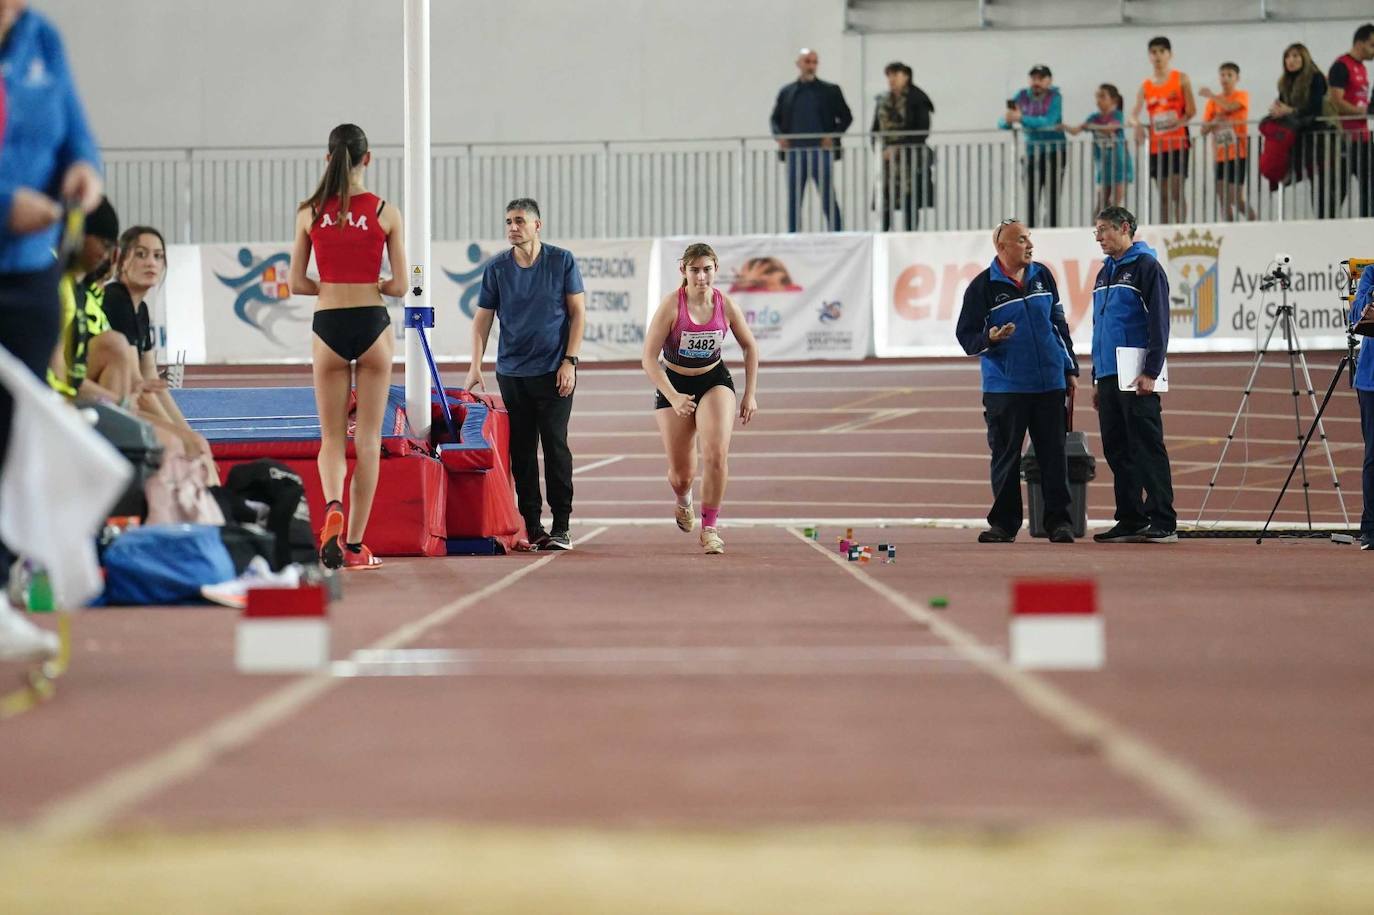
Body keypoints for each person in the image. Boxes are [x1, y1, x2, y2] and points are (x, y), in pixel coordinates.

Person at [0, 0, 102, 660]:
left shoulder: (41, 37)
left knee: (12, 440)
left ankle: (5, 589)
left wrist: (85, 171)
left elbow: (76, 136)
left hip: (30, 279)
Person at [288, 123, 407, 571]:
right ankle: (355, 545)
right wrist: (371, 283)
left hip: (329, 323)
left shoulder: (309, 212)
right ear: (367, 159)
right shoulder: (384, 211)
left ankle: (333, 505)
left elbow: (297, 282)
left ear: (328, 159)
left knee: (332, 438)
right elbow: (399, 283)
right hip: (372, 322)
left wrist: (330, 284)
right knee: (370, 439)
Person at [464, 198, 585, 551]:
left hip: (553, 372)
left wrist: (570, 361)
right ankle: (532, 527)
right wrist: (475, 364)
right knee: (522, 451)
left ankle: (561, 525)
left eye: (519, 221)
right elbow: (482, 319)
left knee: (556, 446)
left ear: (537, 225)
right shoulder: (498, 269)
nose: (512, 227)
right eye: (508, 221)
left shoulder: (561, 261)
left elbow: (577, 314)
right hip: (513, 374)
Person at [955, 219, 1078, 544]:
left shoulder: (1043, 276)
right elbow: (966, 337)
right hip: (1005, 388)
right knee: (1005, 456)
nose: (1030, 245)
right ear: (1002, 247)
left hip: (1049, 382)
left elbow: (1058, 323)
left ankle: (1059, 522)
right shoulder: (983, 287)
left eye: (1029, 239)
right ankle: (1004, 524)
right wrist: (990, 338)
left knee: (1053, 455)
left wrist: (1070, 369)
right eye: (1022, 240)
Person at [641, 243, 759, 555]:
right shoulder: (671, 306)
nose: (702, 276)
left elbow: (749, 346)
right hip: (674, 383)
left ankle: (710, 528)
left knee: (717, 454)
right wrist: (674, 396)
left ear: (715, 270)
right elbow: (649, 359)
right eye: (695, 270)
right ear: (684, 271)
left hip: (713, 379)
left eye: (707, 269)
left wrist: (750, 394)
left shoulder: (725, 305)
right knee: (682, 476)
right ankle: (684, 500)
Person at [1089, 206, 1176, 544]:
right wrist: (1098, 377)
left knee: (1146, 445)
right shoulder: (1104, 273)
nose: (1098, 237)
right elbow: (1100, 327)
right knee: (1117, 448)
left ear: (1124, 228)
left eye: (1103, 230)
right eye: (1096, 231)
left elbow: (1159, 322)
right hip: (1110, 373)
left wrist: (1151, 370)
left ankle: (1163, 520)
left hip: (1136, 372)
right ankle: (1130, 517)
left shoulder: (1146, 267)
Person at [770, 48, 853, 233]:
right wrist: (780, 137)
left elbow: (846, 117)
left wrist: (833, 136)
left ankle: (837, 232)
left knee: (827, 195)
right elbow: (775, 119)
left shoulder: (830, 90)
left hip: (820, 151)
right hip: (795, 152)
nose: (811, 66)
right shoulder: (787, 92)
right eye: (807, 62)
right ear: (798, 64)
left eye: (814, 62)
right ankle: (793, 233)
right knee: (794, 197)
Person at [1271, 43, 1340, 219]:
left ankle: (1327, 220)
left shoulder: (1315, 78)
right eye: (1287, 57)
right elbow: (1283, 104)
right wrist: (1277, 111)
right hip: (1300, 137)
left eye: (1295, 56)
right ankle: (1318, 219)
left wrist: (1290, 111)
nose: (1291, 60)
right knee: (1314, 181)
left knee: (1324, 182)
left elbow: (1315, 109)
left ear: (1304, 58)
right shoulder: (1284, 82)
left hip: (1321, 135)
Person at [1131, 37, 1195, 225]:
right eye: (1154, 52)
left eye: (1161, 51)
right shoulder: (1146, 85)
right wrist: (1136, 125)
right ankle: (1165, 228)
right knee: (1163, 193)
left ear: (1170, 54)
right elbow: (1133, 114)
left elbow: (1191, 110)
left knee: (1177, 190)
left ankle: (1181, 227)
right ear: (1149, 56)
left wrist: (1177, 123)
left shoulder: (1181, 78)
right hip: (1157, 146)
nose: (1158, 56)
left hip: (1178, 142)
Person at [870, 61, 934, 231]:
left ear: (906, 76)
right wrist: (879, 150)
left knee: (910, 200)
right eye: (889, 75)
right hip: (887, 162)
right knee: (885, 200)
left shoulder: (917, 99)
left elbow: (922, 131)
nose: (892, 79)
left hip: (910, 161)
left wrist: (899, 147)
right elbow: (874, 130)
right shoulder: (882, 100)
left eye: (896, 75)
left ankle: (910, 235)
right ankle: (883, 235)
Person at [1001, 65, 1067, 228]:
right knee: (1031, 197)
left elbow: (1049, 121)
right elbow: (1003, 122)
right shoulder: (1021, 96)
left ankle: (1052, 231)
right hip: (1032, 153)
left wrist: (1022, 118)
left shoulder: (1055, 97)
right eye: (1033, 78)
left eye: (1041, 78)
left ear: (1049, 81)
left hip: (1055, 152)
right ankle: (1030, 233)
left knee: (1052, 198)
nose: (1036, 82)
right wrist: (1009, 119)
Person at [1327, 23, 1374, 218]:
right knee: (1340, 189)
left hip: (1363, 137)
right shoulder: (1341, 66)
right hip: (1345, 138)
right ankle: (1327, 225)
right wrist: (1361, 112)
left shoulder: (1362, 68)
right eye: (1372, 45)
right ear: (1360, 43)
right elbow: (1336, 102)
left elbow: (1360, 99)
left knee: (1369, 186)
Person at [1200, 63, 1257, 221]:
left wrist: (1212, 96)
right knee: (1223, 199)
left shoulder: (1241, 95)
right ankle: (1230, 230)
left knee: (1236, 199)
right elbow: (1203, 130)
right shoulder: (1212, 103)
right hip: (1219, 155)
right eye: (1222, 75)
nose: (1225, 78)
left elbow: (1231, 106)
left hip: (1238, 153)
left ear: (1237, 78)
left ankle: (1255, 222)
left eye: (1229, 75)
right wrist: (1215, 121)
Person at [1064, 83, 1133, 214]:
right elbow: (1076, 130)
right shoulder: (1094, 117)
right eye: (1097, 97)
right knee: (1101, 202)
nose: (1098, 100)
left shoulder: (1117, 114)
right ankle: (1095, 229)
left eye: (1102, 96)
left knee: (1115, 203)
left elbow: (1111, 128)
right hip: (1103, 165)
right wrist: (1063, 126)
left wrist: (1092, 126)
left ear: (1113, 100)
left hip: (1120, 163)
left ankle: (1113, 230)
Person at [1350, 263, 1374, 550]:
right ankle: (1370, 527)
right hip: (1371, 380)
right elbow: (1355, 314)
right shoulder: (1371, 274)